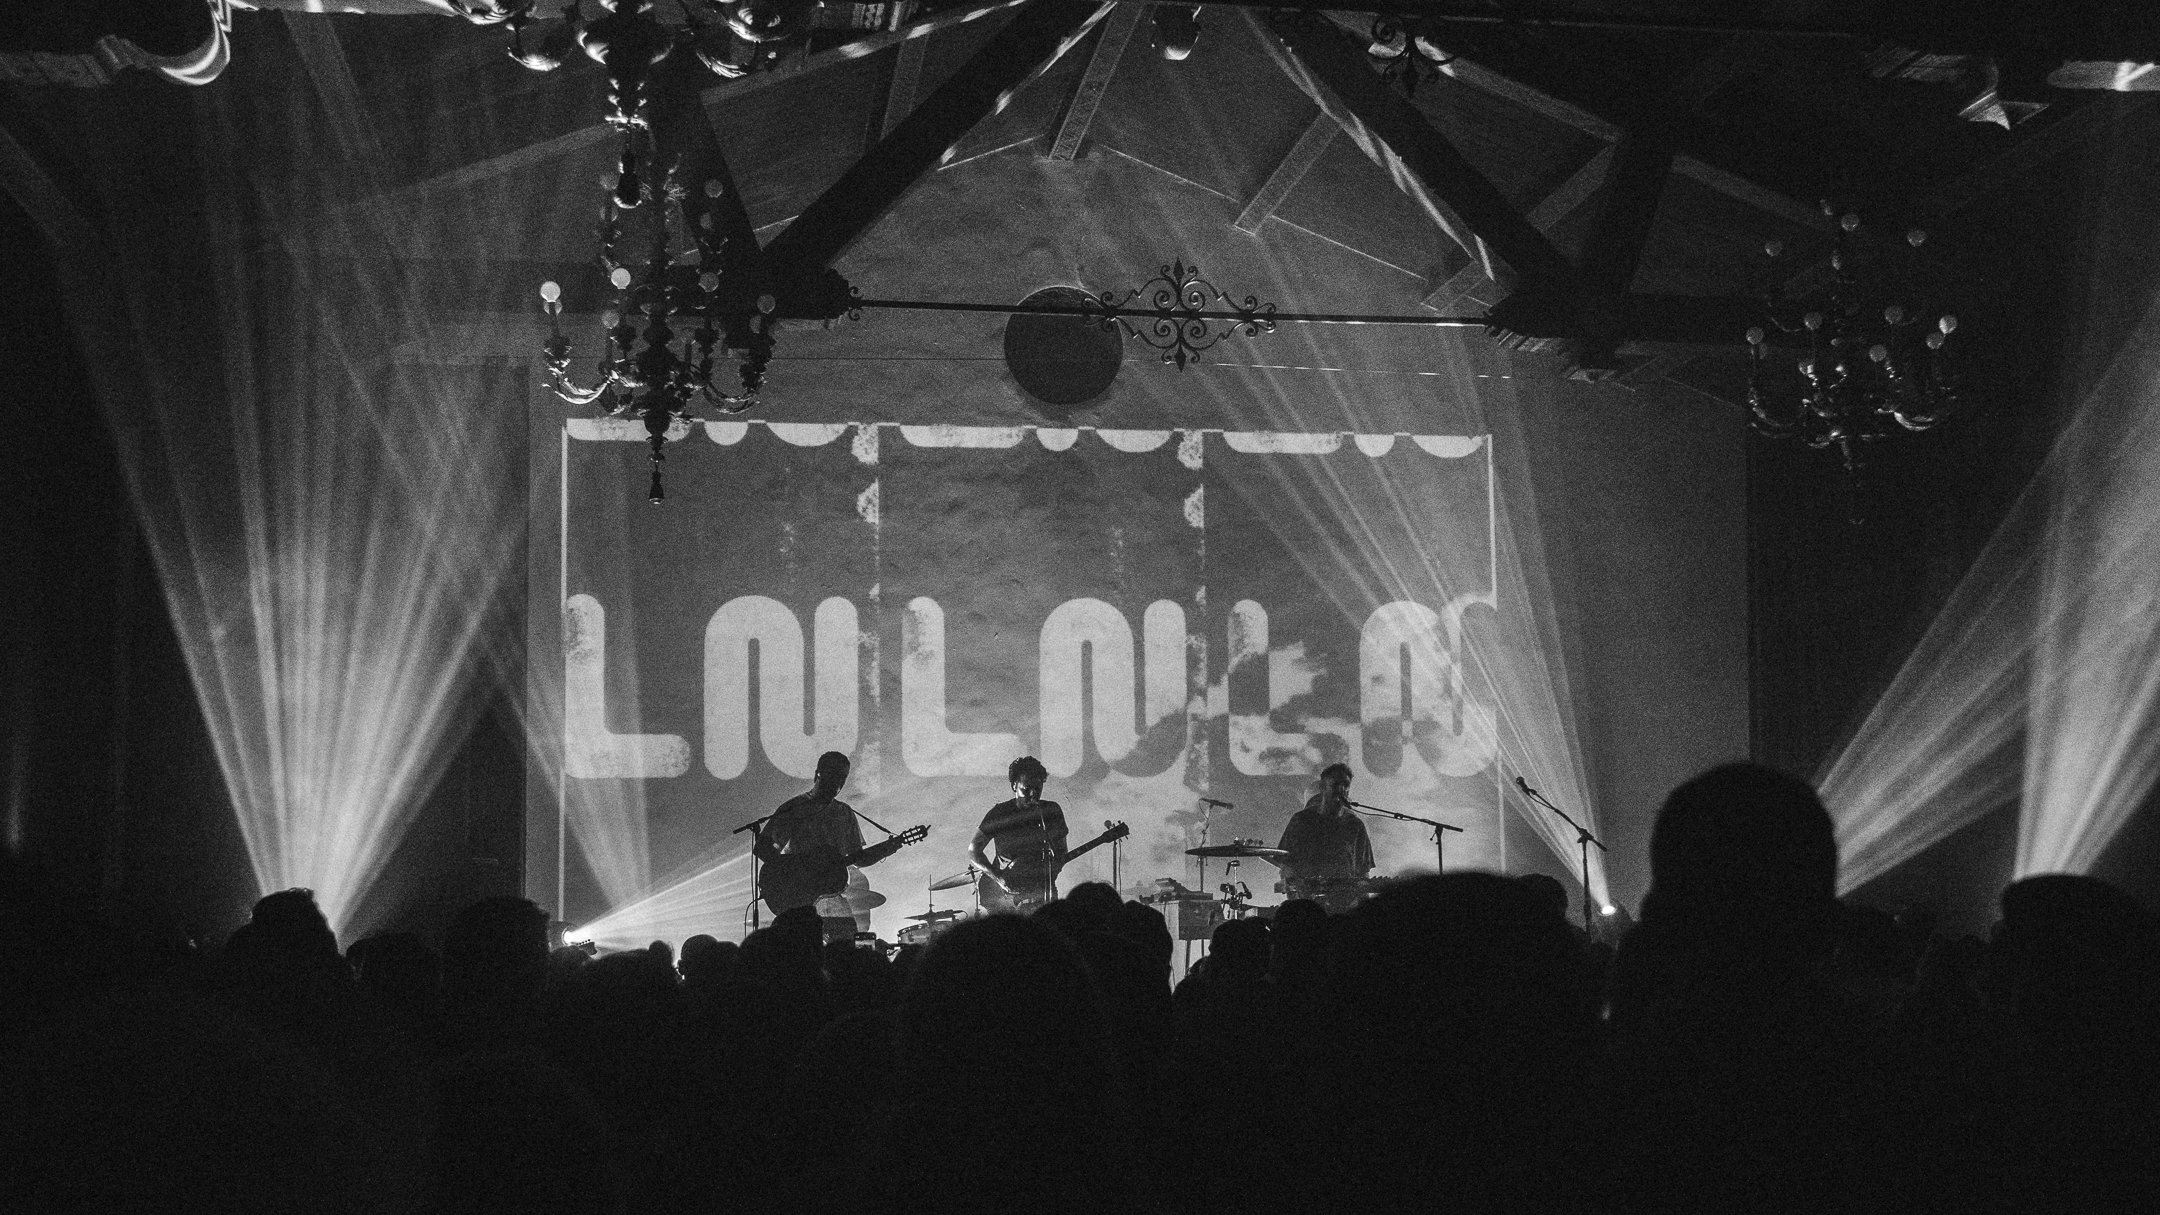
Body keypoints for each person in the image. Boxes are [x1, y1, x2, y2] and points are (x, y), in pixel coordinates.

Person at [755, 751, 868, 940]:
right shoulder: (794, 808)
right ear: (818, 774)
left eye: (843, 777)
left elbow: (859, 857)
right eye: (833, 775)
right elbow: (764, 848)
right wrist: (800, 874)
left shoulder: (845, 813)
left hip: (835, 900)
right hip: (800, 903)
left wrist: (893, 845)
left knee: (846, 951)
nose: (838, 782)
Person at [971, 756, 1070, 913]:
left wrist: (1051, 872)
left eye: (1037, 789)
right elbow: (974, 850)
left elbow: (1061, 851)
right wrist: (998, 878)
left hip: (1042, 891)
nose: (1032, 794)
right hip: (1005, 894)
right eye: (1026, 789)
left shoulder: (1051, 811)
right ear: (1014, 785)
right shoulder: (1000, 813)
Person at [1271, 763, 1374, 911]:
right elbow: (1287, 865)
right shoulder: (1301, 820)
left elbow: (1363, 871)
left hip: (1345, 906)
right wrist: (1296, 900)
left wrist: (1365, 909)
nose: (1342, 789)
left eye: (1345, 785)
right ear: (1322, 788)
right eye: (1336, 784)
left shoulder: (1355, 825)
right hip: (1308, 904)